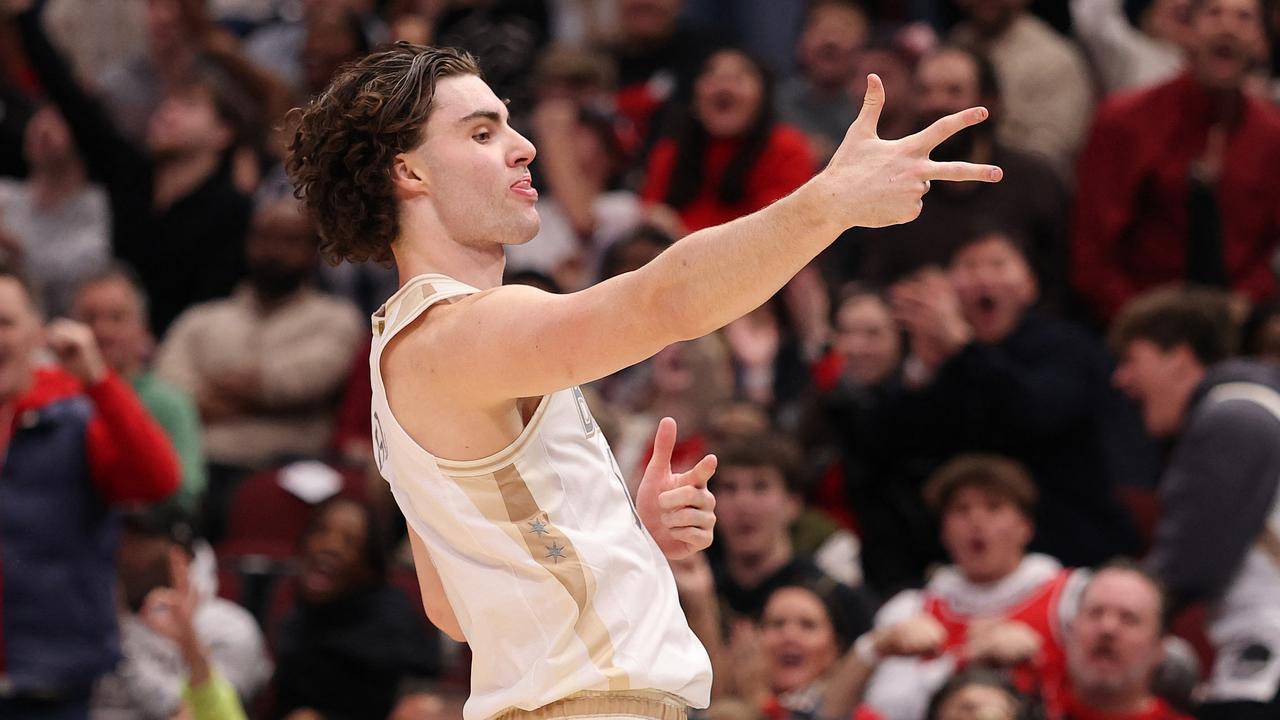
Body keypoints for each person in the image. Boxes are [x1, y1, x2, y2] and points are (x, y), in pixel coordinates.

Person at [285, 41, 999, 720]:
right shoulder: (458, 333)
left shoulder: (408, 349)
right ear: (409, 173)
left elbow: (453, 604)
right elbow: (666, 301)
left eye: (508, 121)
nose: (524, 144)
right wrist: (828, 203)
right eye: (480, 132)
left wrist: (624, 541)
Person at [886, 230, 1142, 566]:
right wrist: (920, 368)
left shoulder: (1065, 345)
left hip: (1070, 539)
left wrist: (965, 347)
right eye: (968, 266)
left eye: (997, 264)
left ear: (1029, 286)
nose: (982, 277)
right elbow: (902, 448)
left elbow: (1039, 412)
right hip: (963, 555)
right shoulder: (944, 360)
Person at [13, 0, 266, 336]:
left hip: (178, 354)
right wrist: (23, 16)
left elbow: (211, 306)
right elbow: (71, 100)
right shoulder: (130, 174)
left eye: (188, 106)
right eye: (168, 102)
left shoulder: (232, 208)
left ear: (223, 133)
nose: (168, 112)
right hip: (101, 334)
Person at [0, 265, 180, 719]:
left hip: (51, 683)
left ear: (37, 334)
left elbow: (158, 480)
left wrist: (99, 380)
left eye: (4, 323)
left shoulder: (76, 417)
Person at [1110, 287, 1280, 718]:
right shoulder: (1257, 407)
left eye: (1133, 360)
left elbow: (1187, 564)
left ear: (1179, 358)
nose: (1122, 379)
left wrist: (1098, 608)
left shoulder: (1233, 418)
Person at [154, 199, 363, 541]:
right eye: (264, 238)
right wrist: (260, 398)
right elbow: (168, 392)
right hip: (197, 467)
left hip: (282, 471)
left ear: (314, 250)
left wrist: (216, 393)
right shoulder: (202, 319)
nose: (274, 250)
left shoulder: (336, 319)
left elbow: (303, 382)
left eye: (290, 240)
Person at [1072, 0, 1280, 325]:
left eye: (1244, 18)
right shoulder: (1125, 120)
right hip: (1132, 326)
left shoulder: (1272, 135)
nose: (1228, 27)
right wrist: (1142, 322)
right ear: (1186, 32)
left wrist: (1245, 306)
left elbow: (1268, 253)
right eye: (1214, 14)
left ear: (1264, 43)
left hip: (1240, 327)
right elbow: (1092, 254)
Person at [835, 46, 1071, 314]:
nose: (937, 103)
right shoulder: (887, 180)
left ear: (989, 101)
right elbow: (866, 282)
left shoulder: (1034, 180)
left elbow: (1060, 288)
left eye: (954, 91)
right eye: (925, 91)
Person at [862, 455, 1089, 720]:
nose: (977, 522)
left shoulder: (1075, 597)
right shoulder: (910, 610)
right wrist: (965, 658)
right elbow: (885, 712)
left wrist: (1038, 658)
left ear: (1025, 526)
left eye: (994, 507)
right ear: (943, 531)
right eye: (961, 510)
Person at [93, 506, 272, 720]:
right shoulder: (91, 617)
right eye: (118, 538)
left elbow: (202, 715)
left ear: (183, 554)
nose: (122, 552)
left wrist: (189, 646)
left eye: (139, 541)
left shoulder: (229, 627)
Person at [270, 498, 440, 720]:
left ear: (370, 566)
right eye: (321, 532)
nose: (330, 547)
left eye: (349, 542)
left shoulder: (394, 627)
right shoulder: (296, 616)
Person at [707, 432, 876, 634]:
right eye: (729, 488)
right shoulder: (688, 592)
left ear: (792, 503)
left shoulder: (834, 597)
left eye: (761, 487)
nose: (743, 504)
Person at [72, 265, 207, 512]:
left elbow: (185, 493)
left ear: (142, 329)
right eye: (90, 318)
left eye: (117, 318)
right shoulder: (54, 398)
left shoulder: (167, 403)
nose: (102, 331)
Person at [642, 47, 816, 233]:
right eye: (712, 76)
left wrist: (679, 234)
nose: (723, 86)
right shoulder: (670, 151)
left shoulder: (787, 148)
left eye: (738, 78)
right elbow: (650, 217)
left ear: (763, 96)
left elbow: (780, 232)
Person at [950, 0, 1095, 180]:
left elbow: (1051, 153)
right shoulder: (951, 43)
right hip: (949, 183)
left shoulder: (1054, 58)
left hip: (1025, 189)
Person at [0, 105, 110, 317]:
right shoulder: (5, 193)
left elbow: (84, 277)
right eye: (38, 118)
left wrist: (16, 250)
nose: (42, 129)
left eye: (56, 122)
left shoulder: (93, 205)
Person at [1052, 561, 1191, 720]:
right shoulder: (1026, 710)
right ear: (1071, 628)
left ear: (1159, 647)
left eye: (1128, 619)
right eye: (1096, 613)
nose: (1107, 628)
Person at [776, 0, 869, 163]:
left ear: (864, 47)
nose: (830, 41)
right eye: (821, 30)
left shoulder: (881, 105)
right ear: (800, 44)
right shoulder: (770, 104)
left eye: (843, 30)